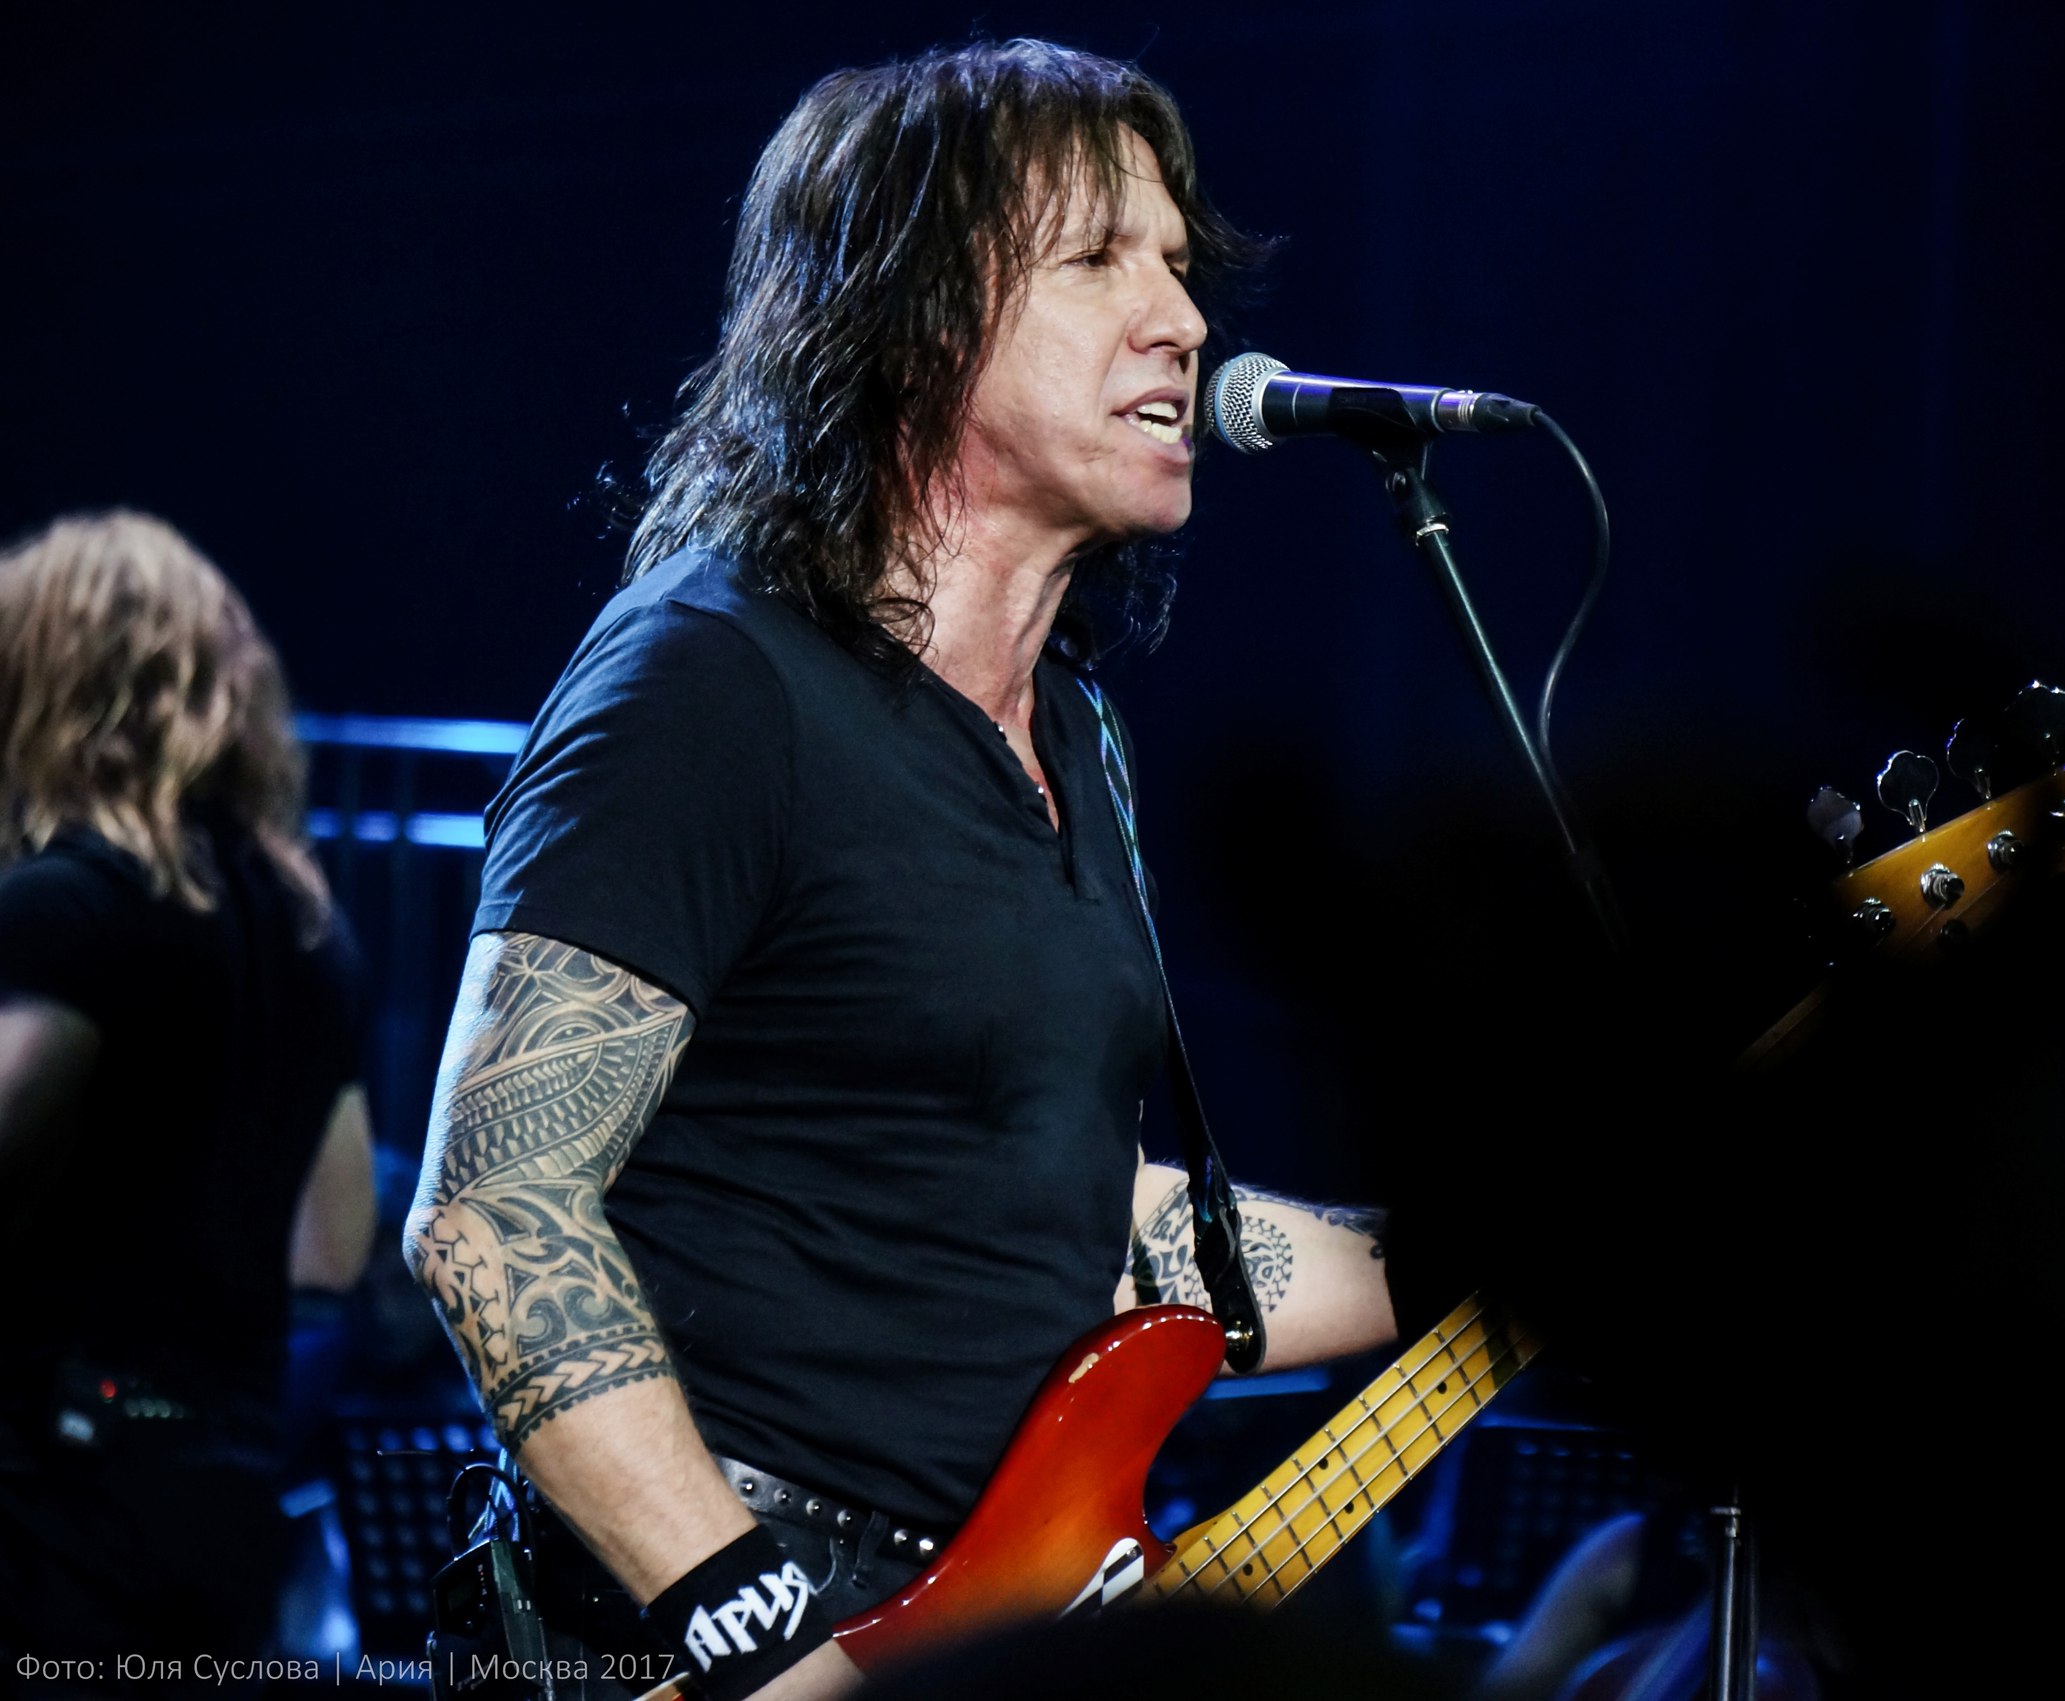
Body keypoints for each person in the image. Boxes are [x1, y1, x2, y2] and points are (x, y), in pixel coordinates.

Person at [403, 40, 1399, 1701]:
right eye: (1101, 258)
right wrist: (761, 1636)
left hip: (977, 1622)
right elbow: (495, 1213)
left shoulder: (1077, 739)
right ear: (920, 317)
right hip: (692, 1626)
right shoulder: (714, 680)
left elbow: (1051, 1218)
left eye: (1177, 264)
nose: (1183, 318)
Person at [0, 510, 376, 1681]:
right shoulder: (313, 935)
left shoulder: (70, 906)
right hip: (225, 1488)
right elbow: (332, 1249)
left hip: (49, 1499)